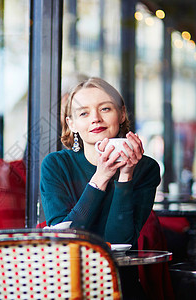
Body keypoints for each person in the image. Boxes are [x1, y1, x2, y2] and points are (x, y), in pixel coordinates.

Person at [40, 77, 161, 299]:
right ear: (71, 124)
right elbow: (66, 238)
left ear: (121, 114)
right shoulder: (55, 165)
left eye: (105, 108)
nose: (95, 118)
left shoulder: (146, 169)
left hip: (122, 286)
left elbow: (120, 241)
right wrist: (101, 177)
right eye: (83, 113)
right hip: (68, 285)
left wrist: (125, 176)